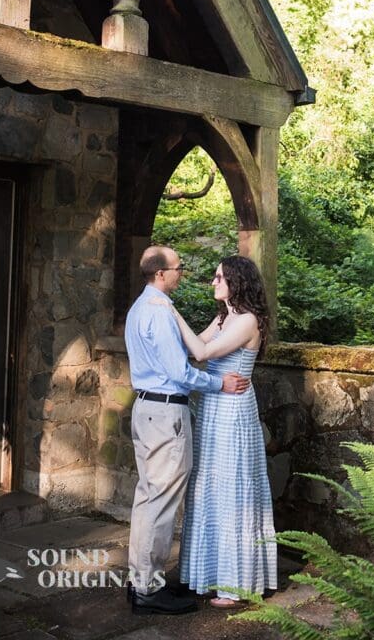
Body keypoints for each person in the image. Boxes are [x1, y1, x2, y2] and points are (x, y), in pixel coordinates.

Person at [125, 245, 250, 616]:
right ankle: (149, 590)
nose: (184, 272)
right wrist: (218, 385)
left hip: (146, 409)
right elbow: (181, 372)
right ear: (161, 273)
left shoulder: (140, 308)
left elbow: (193, 349)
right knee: (160, 502)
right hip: (164, 415)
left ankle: (142, 582)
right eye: (179, 268)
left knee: (148, 498)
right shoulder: (160, 314)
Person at [175, 255, 278, 608]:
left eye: (220, 277)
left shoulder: (247, 320)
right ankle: (207, 575)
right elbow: (190, 352)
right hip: (214, 406)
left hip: (233, 411)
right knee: (209, 487)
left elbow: (202, 351)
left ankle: (235, 584)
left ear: (237, 281)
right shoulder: (225, 316)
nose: (214, 282)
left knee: (232, 489)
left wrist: (169, 310)